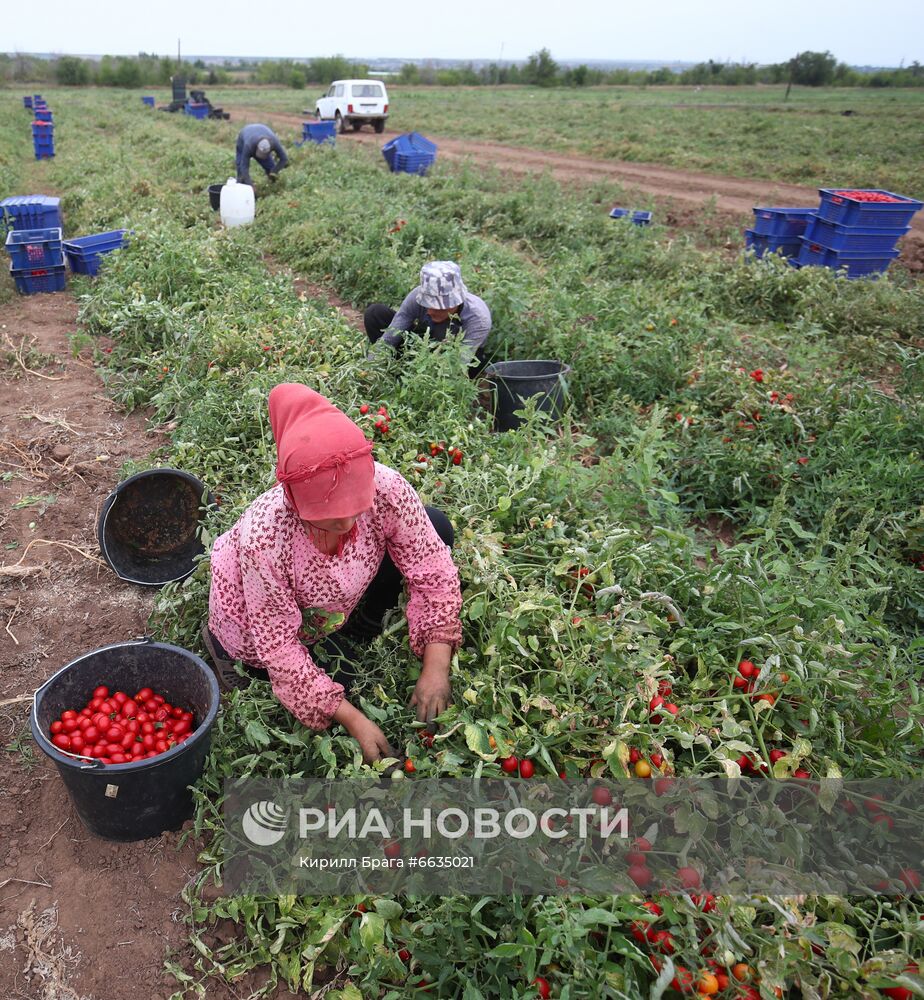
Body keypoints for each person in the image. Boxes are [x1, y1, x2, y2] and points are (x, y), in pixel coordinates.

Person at [201, 383, 462, 763]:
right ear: (292, 497)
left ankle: (356, 625)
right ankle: (221, 646)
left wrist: (437, 665)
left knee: (435, 525)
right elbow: (279, 646)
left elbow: (432, 567)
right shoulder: (264, 538)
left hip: (332, 596)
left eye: (355, 508)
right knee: (326, 684)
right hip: (255, 616)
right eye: (328, 516)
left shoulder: (385, 487)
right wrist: (353, 720)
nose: (345, 522)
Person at [364, 261, 491, 374]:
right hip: (424, 344)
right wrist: (370, 368)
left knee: (472, 360)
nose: (429, 311)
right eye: (427, 304)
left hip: (454, 355)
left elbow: (460, 363)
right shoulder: (415, 297)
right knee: (375, 313)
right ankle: (396, 369)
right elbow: (389, 337)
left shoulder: (478, 318)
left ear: (455, 302)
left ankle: (410, 374)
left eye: (436, 307)